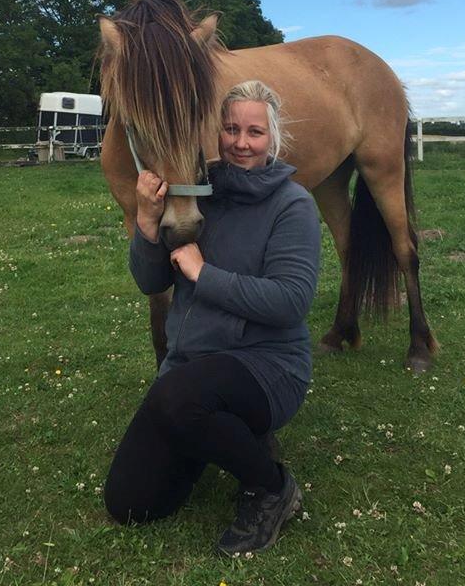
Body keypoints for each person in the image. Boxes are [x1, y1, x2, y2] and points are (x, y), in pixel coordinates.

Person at [104, 80, 321, 555]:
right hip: (192, 367)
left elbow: (290, 302)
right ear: (214, 133)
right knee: (131, 503)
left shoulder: (293, 205)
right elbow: (150, 281)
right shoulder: (198, 195)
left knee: (178, 398)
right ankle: (219, 435)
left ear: (273, 138)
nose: (241, 143)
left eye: (255, 132)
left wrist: (205, 275)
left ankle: (271, 487)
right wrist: (145, 224)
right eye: (230, 129)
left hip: (266, 367)